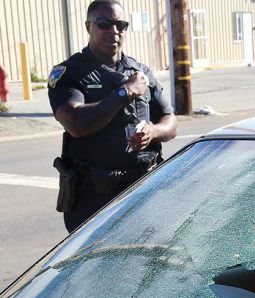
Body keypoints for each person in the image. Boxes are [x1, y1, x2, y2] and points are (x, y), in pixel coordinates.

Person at [48, 0, 178, 233]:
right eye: (104, 23)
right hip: (94, 199)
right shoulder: (70, 73)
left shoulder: (140, 71)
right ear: (88, 26)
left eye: (121, 25)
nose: (114, 31)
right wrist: (125, 91)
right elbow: (76, 123)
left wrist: (153, 131)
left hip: (143, 191)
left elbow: (170, 122)